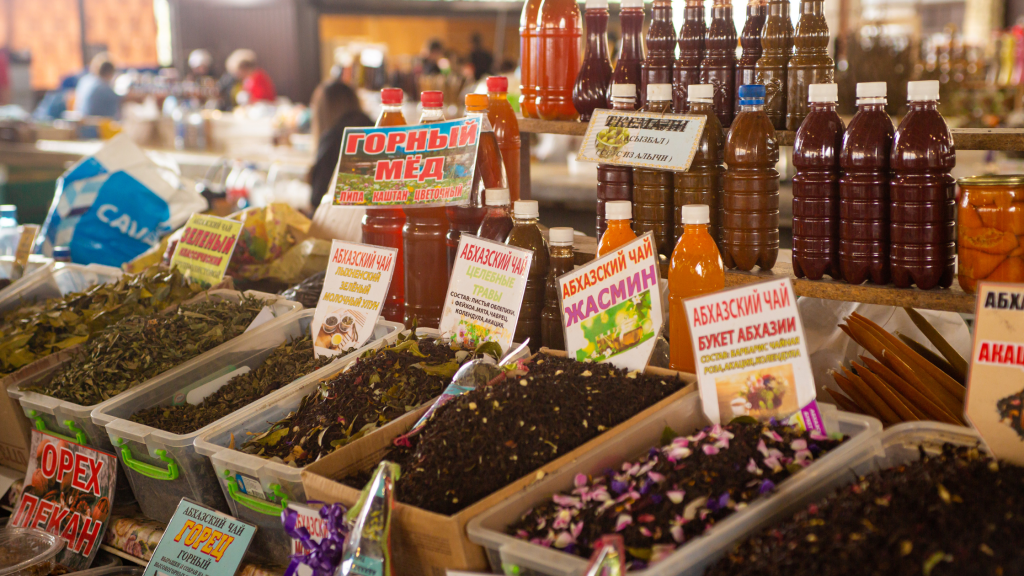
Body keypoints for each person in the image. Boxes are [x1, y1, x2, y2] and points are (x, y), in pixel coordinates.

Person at [307, 80, 372, 208]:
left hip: (340, 224)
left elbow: (318, 200)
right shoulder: (376, 129)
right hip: (378, 221)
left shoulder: (331, 141)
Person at [74, 53, 121, 118]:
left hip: (82, 121)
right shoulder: (101, 86)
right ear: (109, 72)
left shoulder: (85, 80)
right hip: (94, 124)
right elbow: (121, 100)